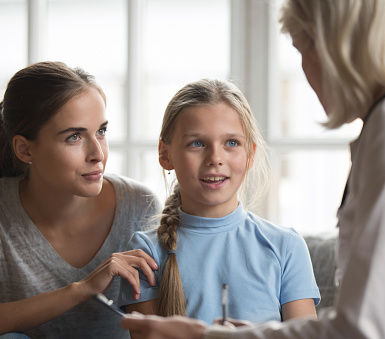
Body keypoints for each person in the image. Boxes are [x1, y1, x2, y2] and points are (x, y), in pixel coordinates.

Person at [120, 0, 385, 338]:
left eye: (301, 48)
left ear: (335, 45)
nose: (305, 71)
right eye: (197, 143)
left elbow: (365, 329)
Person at [0, 61, 161, 338]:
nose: (98, 153)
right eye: (74, 137)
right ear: (25, 149)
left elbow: (159, 324)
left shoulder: (140, 204)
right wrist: (80, 289)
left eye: (101, 131)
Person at [118, 78, 320, 330]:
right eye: (197, 143)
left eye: (231, 143)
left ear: (250, 154)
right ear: (165, 154)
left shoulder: (286, 246)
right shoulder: (146, 253)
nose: (215, 158)